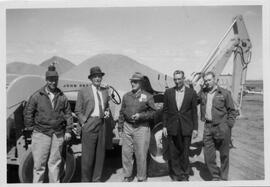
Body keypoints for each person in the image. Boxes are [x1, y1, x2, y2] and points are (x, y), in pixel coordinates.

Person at [24, 65, 73, 183]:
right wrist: (32, 129)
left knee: (55, 163)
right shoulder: (37, 95)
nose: (53, 82)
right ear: (46, 80)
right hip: (41, 134)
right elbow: (28, 113)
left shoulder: (62, 96)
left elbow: (68, 114)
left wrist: (68, 130)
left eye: (55, 80)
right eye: (51, 80)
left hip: (58, 134)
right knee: (39, 166)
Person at [118, 72, 156, 182]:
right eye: (131, 81)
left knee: (141, 154)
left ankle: (141, 177)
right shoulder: (126, 96)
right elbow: (121, 113)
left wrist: (141, 116)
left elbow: (153, 112)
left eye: (135, 81)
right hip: (127, 127)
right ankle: (127, 175)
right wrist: (120, 128)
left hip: (142, 128)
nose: (133, 83)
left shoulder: (148, 96)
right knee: (126, 153)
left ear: (140, 83)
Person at [75, 66, 110, 182]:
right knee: (87, 157)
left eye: (99, 76)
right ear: (91, 78)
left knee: (100, 155)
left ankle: (96, 180)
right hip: (89, 123)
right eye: (95, 76)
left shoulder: (105, 92)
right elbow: (78, 110)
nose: (97, 78)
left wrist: (106, 112)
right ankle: (85, 181)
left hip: (101, 124)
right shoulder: (83, 91)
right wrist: (84, 121)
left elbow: (106, 106)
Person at [199, 71, 236, 181]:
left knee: (224, 155)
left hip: (222, 127)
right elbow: (194, 99)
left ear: (215, 79)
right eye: (205, 80)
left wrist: (228, 125)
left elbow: (232, 111)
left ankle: (224, 178)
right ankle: (215, 175)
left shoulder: (224, 93)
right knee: (208, 155)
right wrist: (199, 87)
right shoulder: (203, 93)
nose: (207, 82)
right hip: (208, 127)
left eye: (209, 80)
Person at [162, 70, 198, 181]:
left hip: (186, 127)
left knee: (185, 152)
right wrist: (164, 126)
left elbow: (194, 112)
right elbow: (165, 111)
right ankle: (176, 174)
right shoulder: (168, 92)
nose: (177, 81)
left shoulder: (191, 93)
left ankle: (185, 174)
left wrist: (195, 128)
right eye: (175, 79)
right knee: (173, 152)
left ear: (183, 79)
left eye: (179, 79)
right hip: (172, 127)